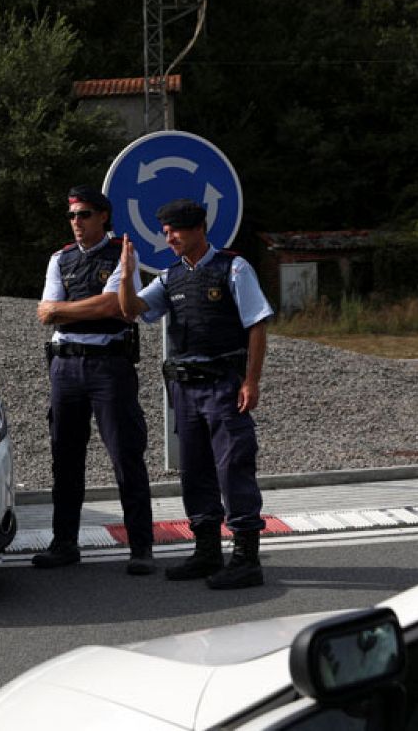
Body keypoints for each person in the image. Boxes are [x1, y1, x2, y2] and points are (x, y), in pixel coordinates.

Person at [117, 198, 275, 590]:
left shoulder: (233, 268)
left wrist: (250, 381)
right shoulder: (171, 278)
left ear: (198, 229)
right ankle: (207, 550)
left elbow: (257, 327)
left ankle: (245, 559)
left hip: (223, 385)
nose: (168, 237)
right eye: (166, 231)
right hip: (185, 390)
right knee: (195, 471)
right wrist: (126, 276)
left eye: (175, 230)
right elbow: (132, 310)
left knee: (233, 466)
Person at [32, 186, 156, 576]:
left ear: (103, 216)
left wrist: (65, 310)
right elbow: (45, 314)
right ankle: (64, 543)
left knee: (125, 456)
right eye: (72, 216)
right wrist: (74, 311)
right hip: (66, 367)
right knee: (64, 459)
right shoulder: (60, 259)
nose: (76, 223)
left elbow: (115, 306)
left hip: (109, 366)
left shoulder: (122, 254)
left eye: (84, 215)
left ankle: (141, 548)